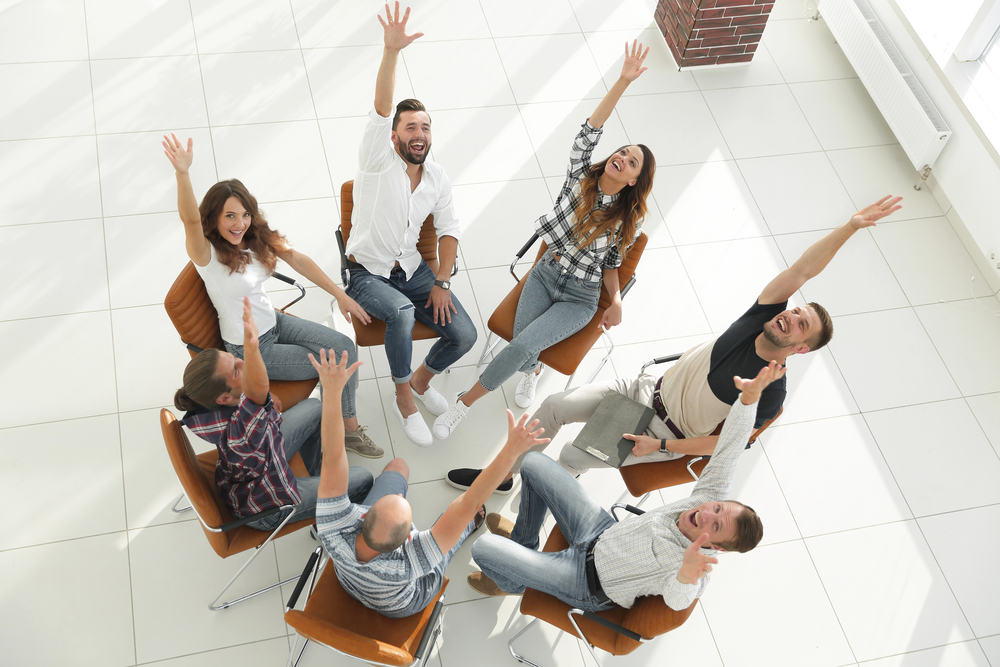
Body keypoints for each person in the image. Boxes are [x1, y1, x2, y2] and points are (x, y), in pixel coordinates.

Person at [446, 196, 902, 491]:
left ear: (801, 349)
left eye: (800, 325)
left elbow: (724, 445)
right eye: (795, 310)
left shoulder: (769, 391)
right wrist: (850, 227)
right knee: (551, 408)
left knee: (567, 457)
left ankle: (525, 503)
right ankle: (501, 478)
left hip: (660, 432)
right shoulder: (759, 320)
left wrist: (661, 450)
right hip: (643, 390)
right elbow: (801, 270)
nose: (790, 316)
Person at [431, 40, 656, 441]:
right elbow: (589, 131)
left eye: (632, 162)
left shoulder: (629, 220)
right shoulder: (579, 177)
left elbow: (611, 265)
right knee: (524, 347)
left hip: (580, 299)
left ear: (634, 180)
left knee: (521, 345)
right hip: (545, 273)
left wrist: (617, 300)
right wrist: (622, 81)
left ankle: (463, 404)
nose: (622, 157)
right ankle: (533, 370)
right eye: (622, 151)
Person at [467, 362, 784, 612]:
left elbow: (679, 600)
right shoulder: (707, 499)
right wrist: (748, 400)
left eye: (715, 526)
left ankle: (512, 582)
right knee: (533, 464)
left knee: (483, 548)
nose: (706, 513)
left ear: (717, 547)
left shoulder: (693, 567)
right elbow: (730, 446)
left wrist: (686, 575)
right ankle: (523, 543)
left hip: (584, 581)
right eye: (717, 508)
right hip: (600, 530)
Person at [162, 133, 382, 459]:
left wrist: (341, 295)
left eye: (244, 214)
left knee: (344, 347)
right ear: (214, 218)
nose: (239, 224)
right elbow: (190, 219)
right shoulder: (206, 256)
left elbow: (296, 258)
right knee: (336, 362)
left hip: (273, 321)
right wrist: (183, 173)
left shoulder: (254, 237)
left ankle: (342, 413)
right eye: (229, 216)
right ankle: (346, 429)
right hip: (251, 348)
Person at [311, 345, 550, 618]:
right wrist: (510, 453)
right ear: (408, 540)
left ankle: (446, 530)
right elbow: (469, 502)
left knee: (398, 467)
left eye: (395, 498)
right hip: (403, 605)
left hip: (348, 579)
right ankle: (464, 532)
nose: (399, 495)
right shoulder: (410, 562)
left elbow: (333, 456)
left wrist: (332, 393)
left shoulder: (333, 526)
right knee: (448, 539)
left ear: (365, 513)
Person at [343, 2, 477, 448]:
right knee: (400, 312)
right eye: (410, 127)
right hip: (367, 272)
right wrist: (391, 52)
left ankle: (421, 380)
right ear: (394, 135)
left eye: (425, 127)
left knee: (465, 335)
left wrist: (442, 280)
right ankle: (404, 397)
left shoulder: (436, 176)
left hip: (413, 269)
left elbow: (450, 230)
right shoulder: (377, 159)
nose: (419, 133)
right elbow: (382, 108)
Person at [175, 297, 374, 531]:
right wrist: (252, 348)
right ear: (224, 398)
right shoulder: (239, 433)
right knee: (363, 478)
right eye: (236, 370)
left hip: (254, 469)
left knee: (314, 408)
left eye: (236, 358)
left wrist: (263, 393)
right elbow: (257, 391)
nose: (243, 362)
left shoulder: (207, 403)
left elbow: (255, 394)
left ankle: (318, 476)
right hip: (268, 507)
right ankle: (331, 525)